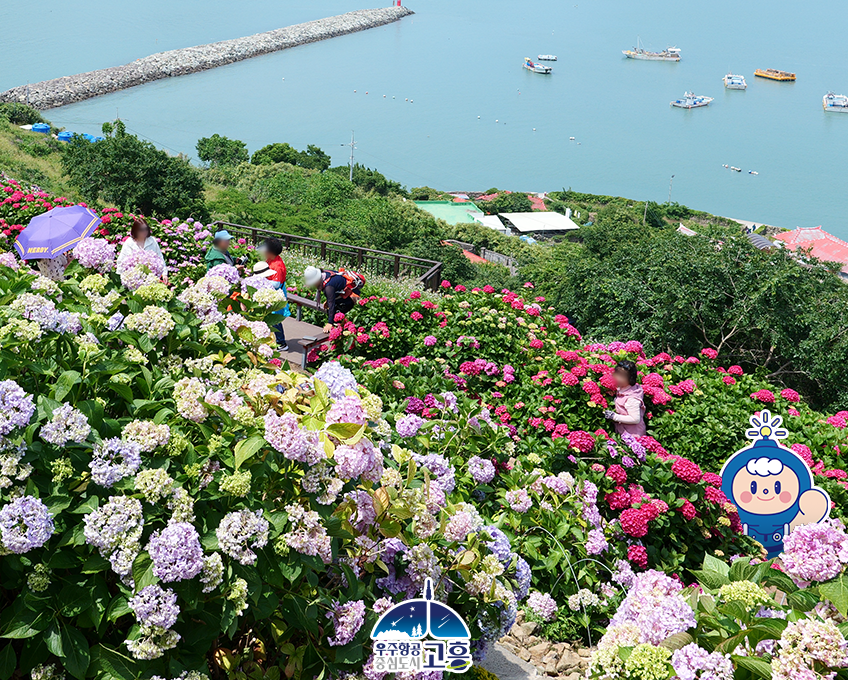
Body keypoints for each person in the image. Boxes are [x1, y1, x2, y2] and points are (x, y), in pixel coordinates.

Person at [303, 265, 365, 332]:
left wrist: (330, 323)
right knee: (331, 309)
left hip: (351, 296)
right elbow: (337, 285)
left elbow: (331, 304)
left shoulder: (328, 287)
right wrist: (329, 299)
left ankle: (342, 331)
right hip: (345, 292)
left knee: (337, 314)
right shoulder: (325, 273)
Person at [250, 259, 290, 351]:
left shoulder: (276, 267)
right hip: (266, 304)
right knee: (270, 322)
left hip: (272, 303)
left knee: (274, 322)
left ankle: (281, 343)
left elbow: (277, 284)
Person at [117, 216, 167, 283]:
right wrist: (120, 278)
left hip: (151, 278)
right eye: (141, 230)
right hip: (133, 279)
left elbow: (160, 258)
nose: (144, 232)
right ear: (135, 230)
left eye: (146, 229)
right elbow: (121, 260)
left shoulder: (152, 241)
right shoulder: (129, 242)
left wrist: (164, 273)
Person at [603, 360, 647, 436]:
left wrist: (614, 416)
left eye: (622, 376)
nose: (617, 378)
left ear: (631, 379)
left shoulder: (632, 398)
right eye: (617, 374)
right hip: (623, 432)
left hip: (633, 436)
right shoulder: (624, 388)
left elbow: (635, 419)